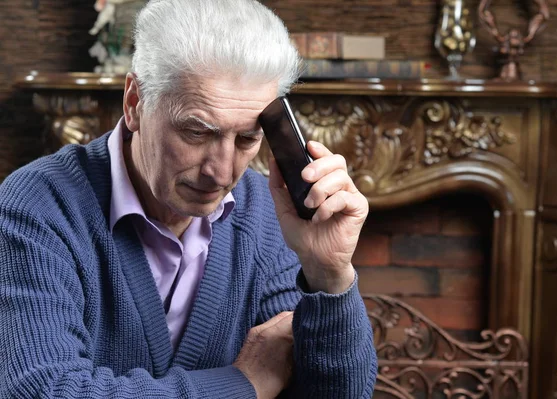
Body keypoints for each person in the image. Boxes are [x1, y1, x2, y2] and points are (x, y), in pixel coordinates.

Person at [0, 0, 377, 398]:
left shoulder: (266, 216)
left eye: (247, 139)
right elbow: (40, 390)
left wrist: (330, 276)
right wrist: (243, 384)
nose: (222, 171)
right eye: (197, 132)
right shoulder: (34, 209)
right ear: (134, 104)